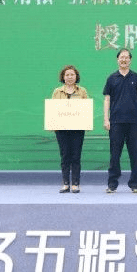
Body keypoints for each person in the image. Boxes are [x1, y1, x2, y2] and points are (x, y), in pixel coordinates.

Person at [103, 48, 137, 193]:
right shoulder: (112, 78)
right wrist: (106, 119)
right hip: (116, 122)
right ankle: (112, 184)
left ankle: (135, 184)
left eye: (126, 57)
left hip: (134, 122)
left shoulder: (136, 77)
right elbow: (107, 99)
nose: (124, 60)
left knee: (135, 154)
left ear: (130, 60)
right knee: (115, 155)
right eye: (121, 57)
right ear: (118, 60)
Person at [52, 65, 88, 193]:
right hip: (62, 130)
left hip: (78, 130)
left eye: (72, 74)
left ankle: (76, 184)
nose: (70, 77)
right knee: (65, 156)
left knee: (76, 156)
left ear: (76, 76)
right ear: (63, 77)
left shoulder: (82, 91)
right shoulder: (57, 92)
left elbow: (86, 110)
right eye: (67, 75)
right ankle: (66, 183)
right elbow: (53, 110)